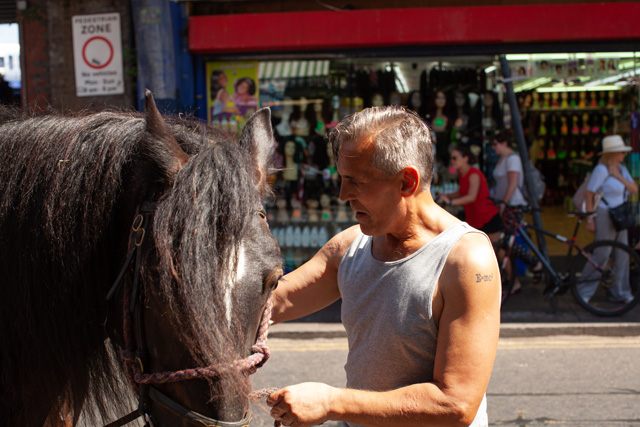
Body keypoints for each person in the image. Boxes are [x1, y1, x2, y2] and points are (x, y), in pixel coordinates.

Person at [267, 106, 501, 427]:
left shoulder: (466, 260)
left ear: (407, 181)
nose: (342, 195)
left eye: (356, 182)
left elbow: (455, 403)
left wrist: (332, 402)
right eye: (341, 179)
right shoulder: (350, 247)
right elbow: (274, 303)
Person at [577, 135, 638, 304]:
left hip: (620, 215)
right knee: (602, 253)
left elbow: (633, 189)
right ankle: (583, 291)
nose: (623, 156)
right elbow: (589, 194)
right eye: (621, 152)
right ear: (612, 153)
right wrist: (590, 219)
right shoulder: (600, 170)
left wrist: (618, 176)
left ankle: (620, 291)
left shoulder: (621, 169)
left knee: (622, 254)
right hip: (605, 214)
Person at [436, 145, 502, 243]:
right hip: (475, 219)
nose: (452, 161)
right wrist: (445, 196)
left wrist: (450, 201)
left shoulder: (473, 174)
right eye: (451, 158)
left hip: (487, 217)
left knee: (496, 252)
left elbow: (471, 197)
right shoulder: (462, 174)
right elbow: (461, 192)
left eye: (455, 158)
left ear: (465, 159)